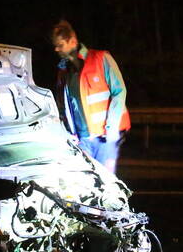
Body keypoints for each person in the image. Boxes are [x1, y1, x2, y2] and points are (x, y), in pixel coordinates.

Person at [50, 19, 130, 174]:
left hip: (104, 138)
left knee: (106, 183)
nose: (56, 49)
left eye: (60, 45)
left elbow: (119, 91)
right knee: (84, 185)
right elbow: (62, 107)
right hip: (81, 139)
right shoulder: (63, 72)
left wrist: (111, 130)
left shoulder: (101, 58)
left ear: (72, 41)